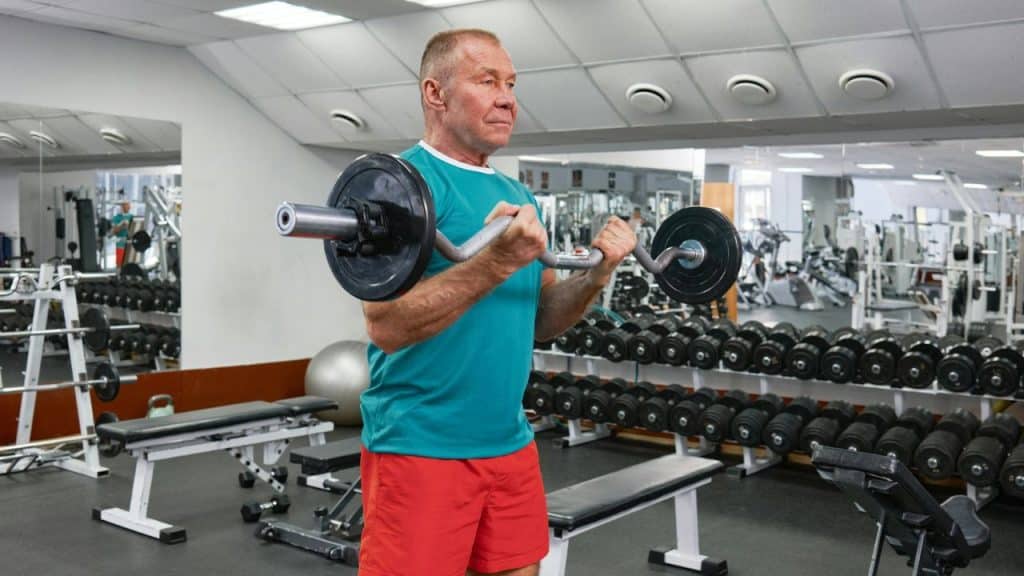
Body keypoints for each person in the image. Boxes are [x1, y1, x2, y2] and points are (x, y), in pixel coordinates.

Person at [357, 29, 638, 576]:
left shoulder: (520, 197)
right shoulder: (399, 187)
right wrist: (495, 262)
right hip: (422, 445)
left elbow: (541, 322)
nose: (508, 98)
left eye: (510, 84)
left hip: (508, 441)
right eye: (487, 82)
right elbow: (385, 325)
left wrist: (599, 274)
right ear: (435, 94)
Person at [109, 201, 132, 268]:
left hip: (130, 243)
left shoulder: (132, 217)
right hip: (120, 242)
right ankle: (118, 274)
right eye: (124, 205)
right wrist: (121, 224)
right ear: (121, 207)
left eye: (128, 205)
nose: (127, 207)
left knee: (130, 261)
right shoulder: (116, 218)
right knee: (120, 262)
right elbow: (113, 232)